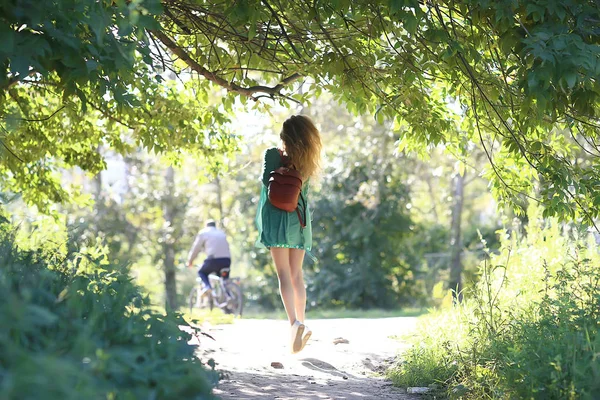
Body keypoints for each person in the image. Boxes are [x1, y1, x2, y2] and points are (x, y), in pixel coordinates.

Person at [255, 115, 322, 354]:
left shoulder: (272, 155)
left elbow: (266, 182)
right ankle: (301, 321)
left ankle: (294, 323)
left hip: (276, 220)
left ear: (285, 136)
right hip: (299, 221)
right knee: (296, 275)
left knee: (283, 274)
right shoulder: (307, 164)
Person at [187, 220, 231, 294]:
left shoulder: (203, 233)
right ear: (214, 226)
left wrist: (190, 261)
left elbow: (196, 248)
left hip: (213, 260)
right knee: (223, 281)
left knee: (201, 272)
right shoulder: (221, 233)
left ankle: (208, 286)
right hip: (227, 260)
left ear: (206, 225)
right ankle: (229, 297)